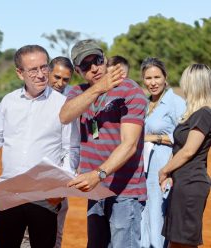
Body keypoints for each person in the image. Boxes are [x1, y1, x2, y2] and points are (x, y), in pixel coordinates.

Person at [0, 44, 79, 248]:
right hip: (9, 195)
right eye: (33, 70)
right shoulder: (9, 102)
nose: (41, 75)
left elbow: (71, 149)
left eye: (44, 67)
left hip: (44, 197)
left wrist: (60, 189)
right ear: (20, 73)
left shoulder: (63, 105)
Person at [60, 39, 148, 248]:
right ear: (79, 71)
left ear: (105, 60)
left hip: (124, 191)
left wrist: (97, 174)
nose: (94, 68)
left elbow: (129, 145)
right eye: (86, 66)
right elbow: (64, 116)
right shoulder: (78, 92)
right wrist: (98, 88)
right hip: (96, 190)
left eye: (97, 61)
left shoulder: (130, 91)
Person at [21, 56, 75, 248]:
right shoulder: (30, 99)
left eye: (65, 79)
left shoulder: (70, 103)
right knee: (26, 237)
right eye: (56, 77)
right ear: (48, 72)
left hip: (56, 182)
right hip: (29, 180)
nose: (60, 83)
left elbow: (71, 148)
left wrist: (61, 188)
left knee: (54, 236)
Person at [159, 64, 211, 248]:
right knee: (176, 242)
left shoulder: (204, 113)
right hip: (182, 184)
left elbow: (188, 151)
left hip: (191, 185)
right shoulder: (194, 114)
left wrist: (164, 171)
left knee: (184, 243)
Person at [140, 57, 186, 248]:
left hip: (163, 170)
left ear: (165, 77)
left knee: (159, 218)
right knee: (144, 217)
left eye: (157, 77)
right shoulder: (142, 103)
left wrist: (154, 138)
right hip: (142, 172)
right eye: (148, 78)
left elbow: (184, 138)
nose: (153, 82)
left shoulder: (176, 102)